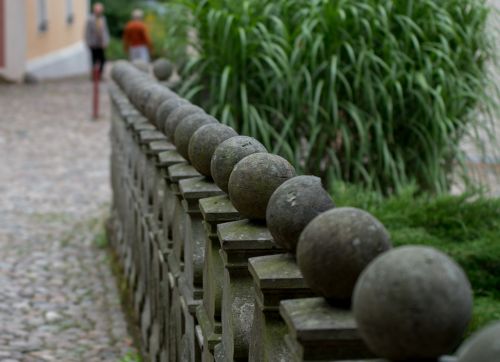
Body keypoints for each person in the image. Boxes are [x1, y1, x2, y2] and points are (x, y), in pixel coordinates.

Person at [84, 3, 110, 77]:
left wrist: (106, 41)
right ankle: (94, 75)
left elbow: (105, 31)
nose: (98, 12)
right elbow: (87, 32)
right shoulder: (90, 19)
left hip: (101, 43)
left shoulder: (103, 19)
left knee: (103, 60)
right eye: (97, 10)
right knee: (94, 60)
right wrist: (88, 42)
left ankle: (100, 74)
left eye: (100, 10)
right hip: (93, 43)